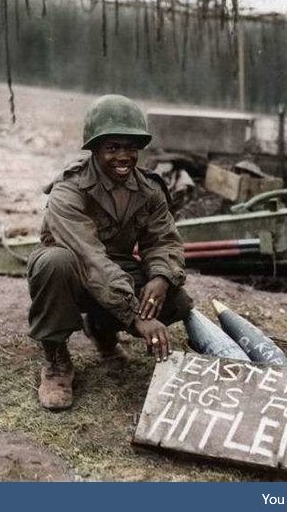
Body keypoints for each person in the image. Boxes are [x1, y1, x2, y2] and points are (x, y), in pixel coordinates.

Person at [27, 94, 193, 411]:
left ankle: (103, 329)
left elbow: (163, 240)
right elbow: (88, 257)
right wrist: (134, 315)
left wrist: (160, 277)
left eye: (130, 147)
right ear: (93, 150)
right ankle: (56, 359)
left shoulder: (149, 189)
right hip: (73, 271)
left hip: (112, 271)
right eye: (112, 148)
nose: (123, 156)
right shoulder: (69, 190)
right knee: (54, 263)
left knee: (178, 300)